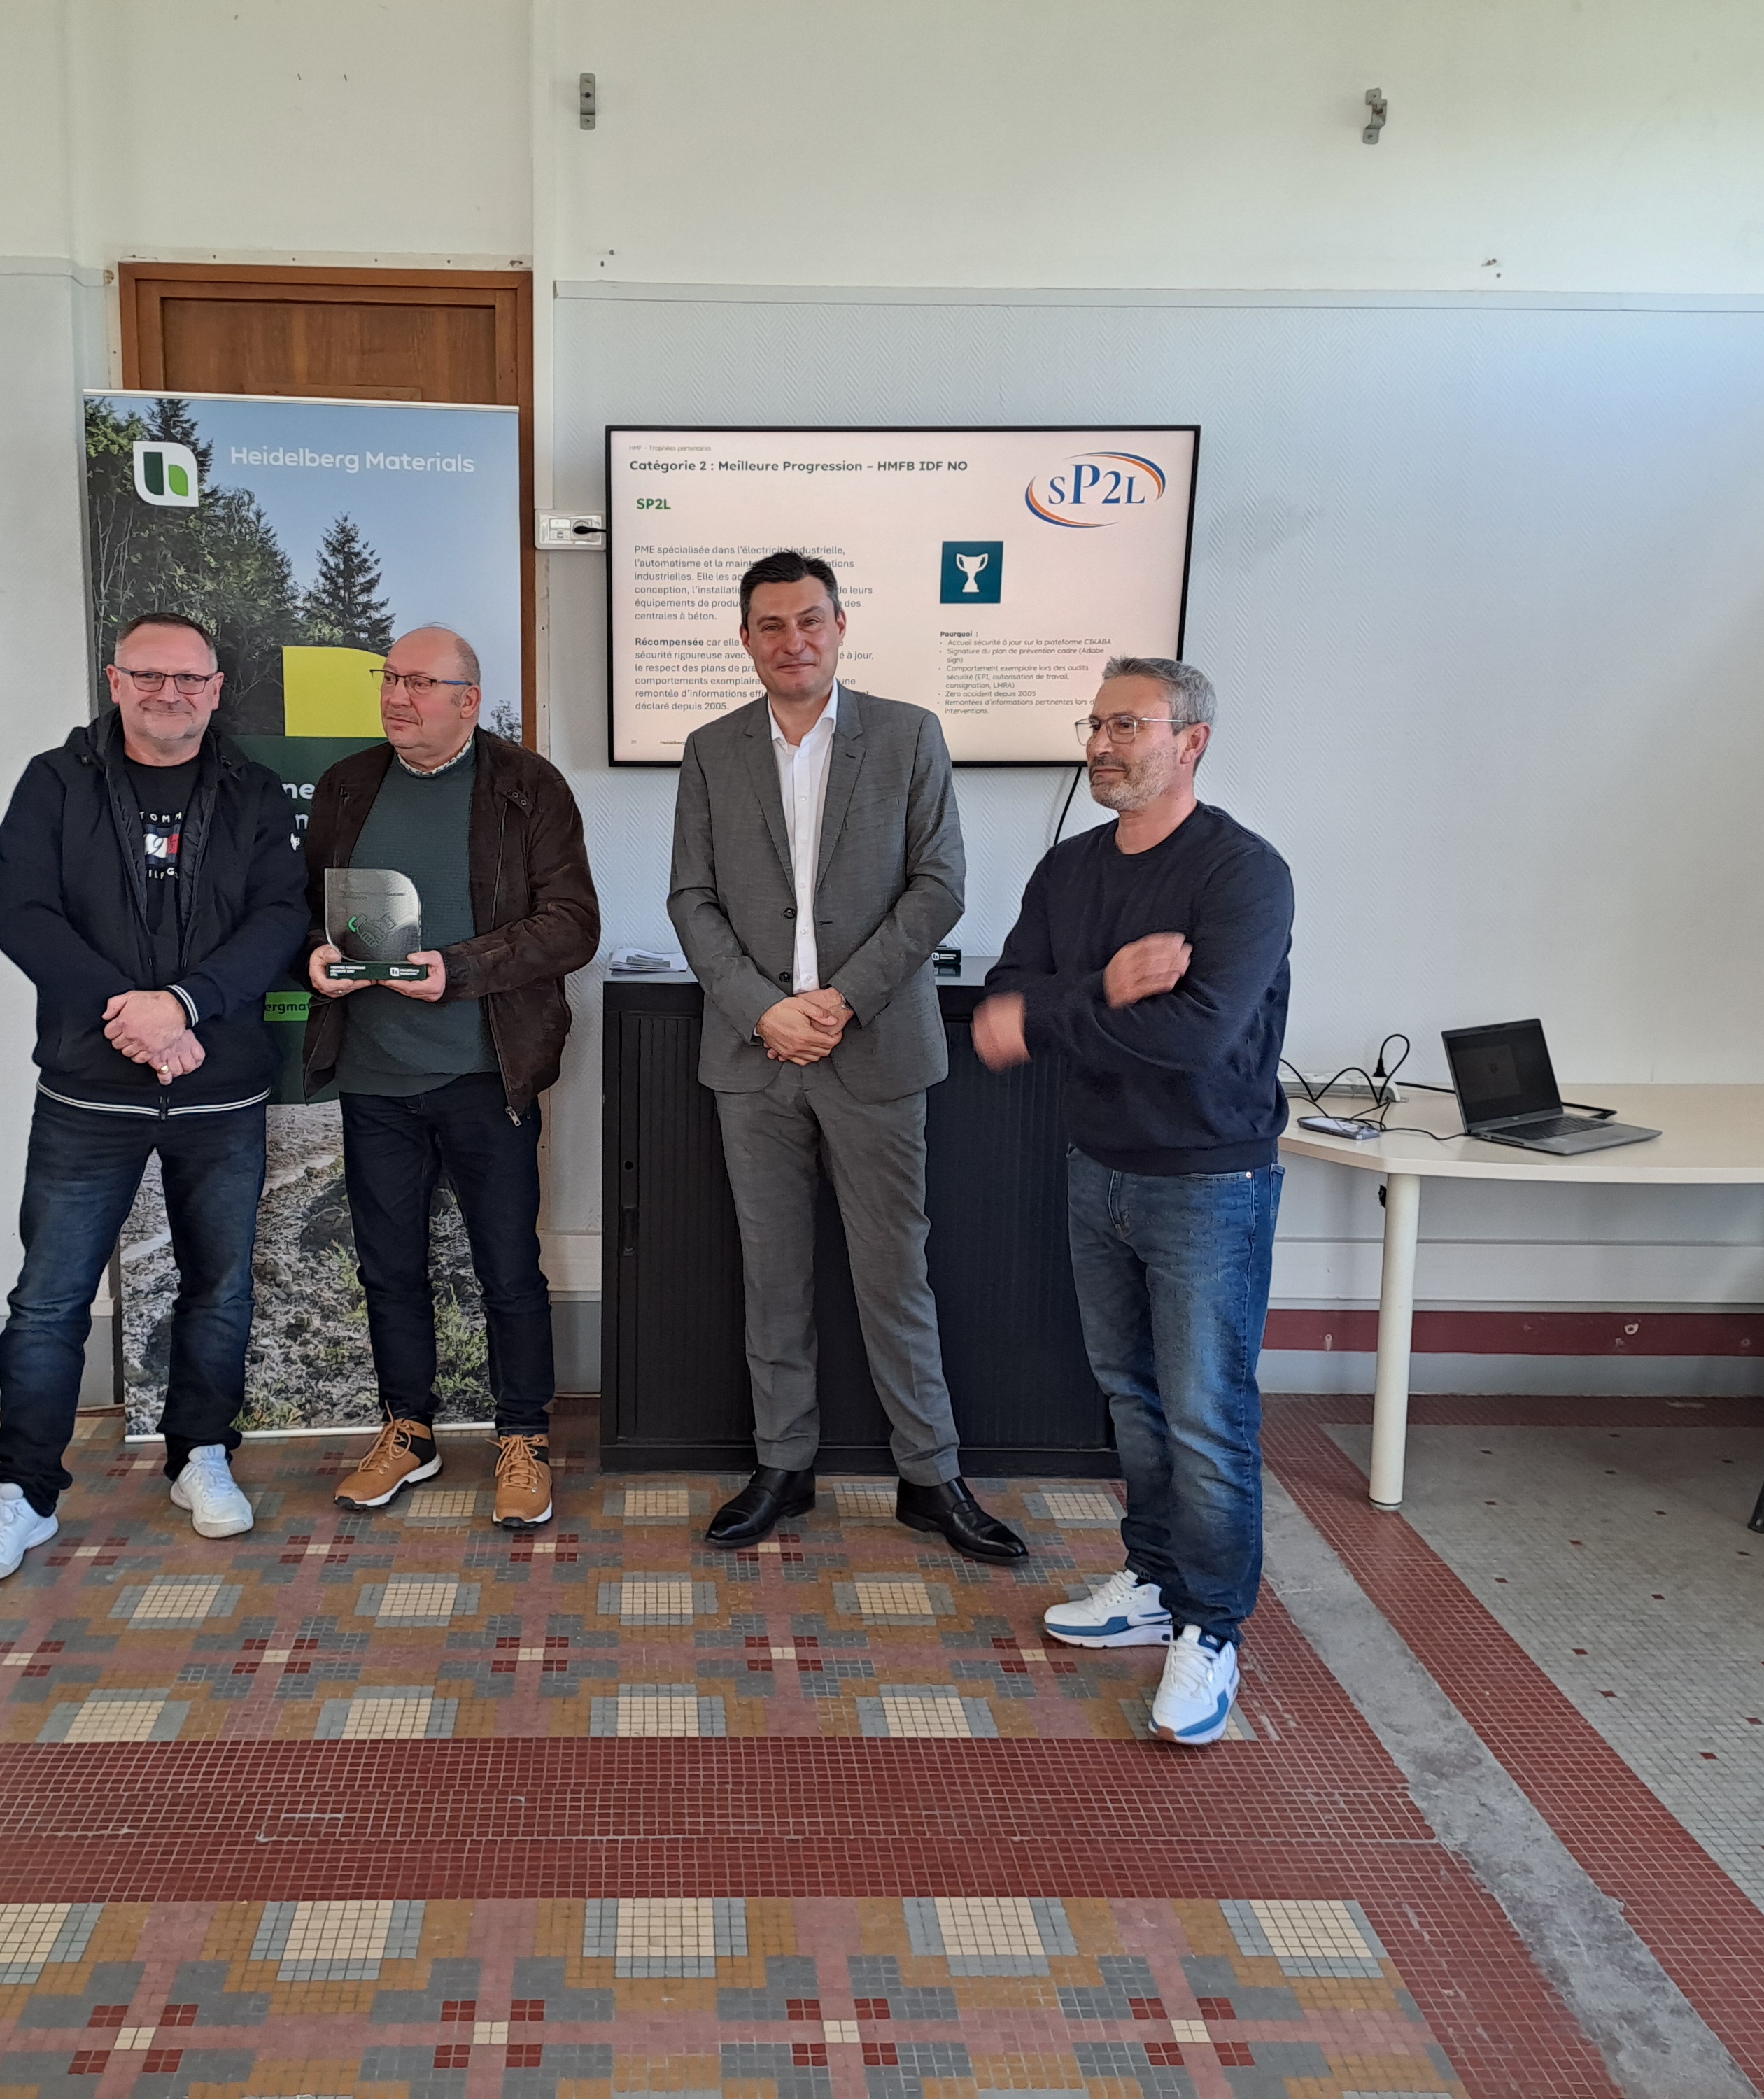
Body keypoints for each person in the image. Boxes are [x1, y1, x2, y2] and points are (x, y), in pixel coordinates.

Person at [666, 550, 1026, 1562]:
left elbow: (939, 884)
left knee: (895, 1274)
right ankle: (783, 1466)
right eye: (772, 625)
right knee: (773, 1277)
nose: (794, 641)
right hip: (755, 1058)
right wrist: (761, 1008)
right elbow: (689, 898)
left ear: (839, 626)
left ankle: (931, 1475)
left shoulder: (909, 736)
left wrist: (839, 999)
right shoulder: (710, 749)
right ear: (745, 639)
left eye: (811, 621)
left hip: (876, 1051)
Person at [973, 657, 1292, 1741]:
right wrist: (1105, 987)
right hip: (1098, 1167)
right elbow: (998, 1017)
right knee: (1133, 1400)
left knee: (1207, 1418)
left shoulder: (1243, 876)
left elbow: (1197, 1037)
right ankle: (1154, 1582)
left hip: (1210, 1181)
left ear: (1191, 740)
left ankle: (1212, 1628)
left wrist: (1058, 1014)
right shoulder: (1069, 872)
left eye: (1128, 725)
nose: (1102, 745)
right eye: (1096, 723)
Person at [0, 611, 307, 1584]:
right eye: (150, 676)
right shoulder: (54, 784)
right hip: (88, 1088)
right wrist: (132, 1014)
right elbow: (24, 915)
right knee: (49, 1302)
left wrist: (186, 1005)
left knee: (220, 1287)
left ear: (217, 689)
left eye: (190, 679)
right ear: (116, 681)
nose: (171, 694)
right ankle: (23, 1493)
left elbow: (281, 915)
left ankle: (201, 1457)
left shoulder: (253, 794)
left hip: (221, 1087)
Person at [304, 626, 600, 1528]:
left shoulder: (526, 785)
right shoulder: (347, 785)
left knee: (507, 1265)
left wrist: (459, 970)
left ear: (469, 701)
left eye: (421, 684)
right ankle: (408, 1430)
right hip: (373, 1072)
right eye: (390, 680)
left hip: (486, 1073)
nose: (398, 697)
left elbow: (572, 924)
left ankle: (522, 1437)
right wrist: (308, 957)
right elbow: (296, 906)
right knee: (388, 1267)